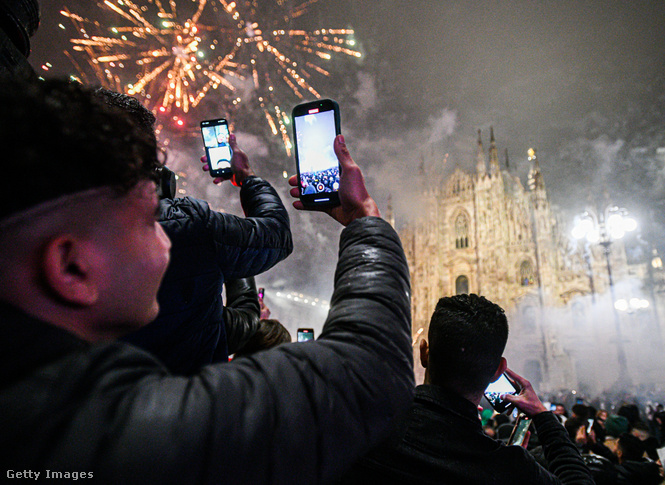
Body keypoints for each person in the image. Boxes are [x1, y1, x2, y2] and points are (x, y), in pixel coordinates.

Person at [0, 78, 414, 483]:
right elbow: (369, 373)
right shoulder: (124, 436)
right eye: (148, 219)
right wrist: (365, 221)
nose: (166, 242)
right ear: (71, 266)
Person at [93, 87, 294, 375]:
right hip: (186, 410)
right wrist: (248, 179)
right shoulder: (190, 226)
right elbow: (277, 235)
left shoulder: (41, 232)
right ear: (155, 172)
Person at [339, 293, 595, 485]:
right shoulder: (509, 468)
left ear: (424, 353)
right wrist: (543, 417)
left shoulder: (359, 429)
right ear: (498, 370)